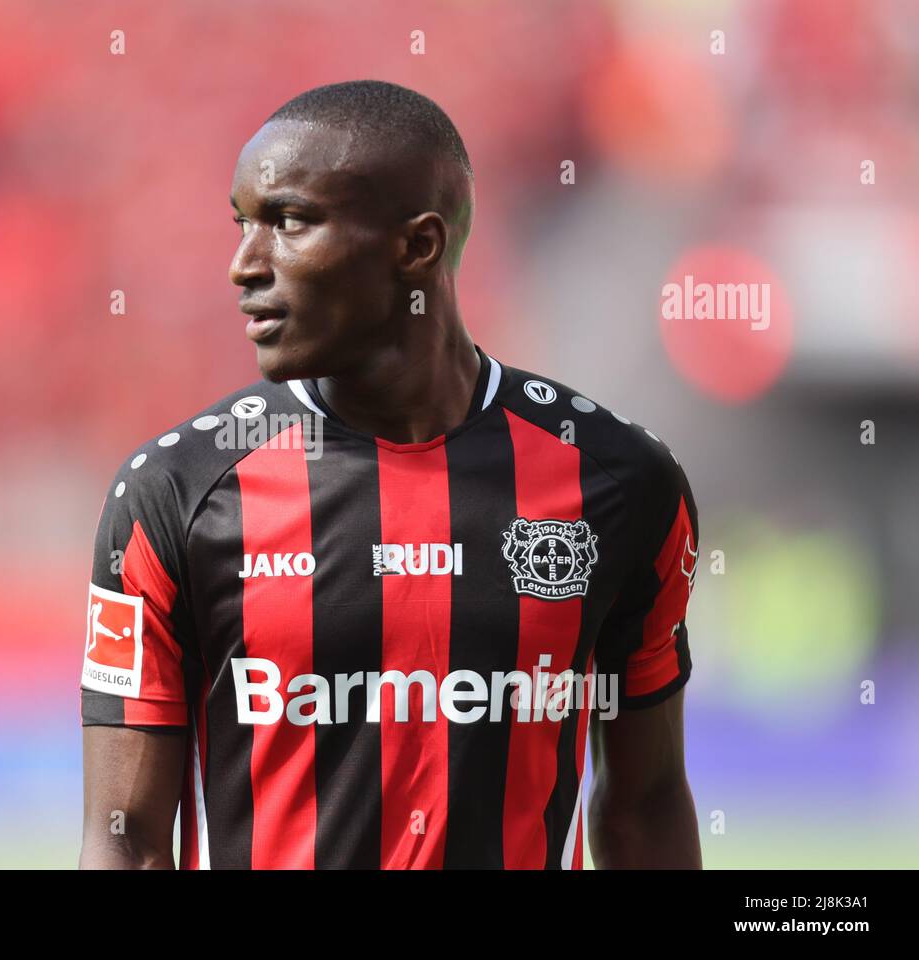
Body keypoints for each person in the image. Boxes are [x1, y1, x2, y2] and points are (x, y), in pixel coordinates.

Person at [79, 79, 702, 869]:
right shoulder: (178, 491)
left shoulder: (618, 482)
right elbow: (126, 840)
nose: (243, 266)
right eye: (243, 225)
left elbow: (644, 806)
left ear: (417, 246)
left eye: (289, 221)